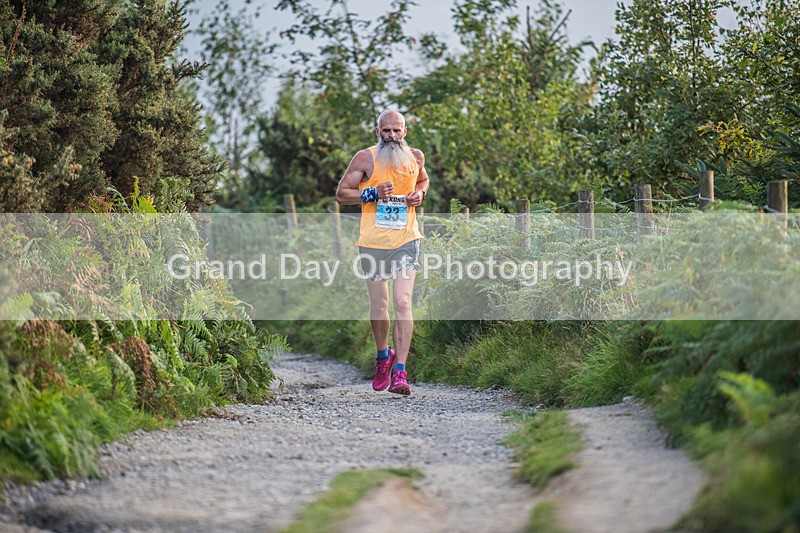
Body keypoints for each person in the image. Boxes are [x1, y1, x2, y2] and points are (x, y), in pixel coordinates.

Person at [335, 110, 430, 396]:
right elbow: (342, 194)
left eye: (397, 131)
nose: (392, 136)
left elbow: (423, 181)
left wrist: (420, 194)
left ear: (405, 131)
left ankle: (400, 372)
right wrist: (372, 193)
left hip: (406, 239)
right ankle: (382, 356)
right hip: (373, 242)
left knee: (402, 301)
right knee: (380, 306)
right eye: (386, 131)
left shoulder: (415, 157)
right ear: (378, 132)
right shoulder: (365, 158)